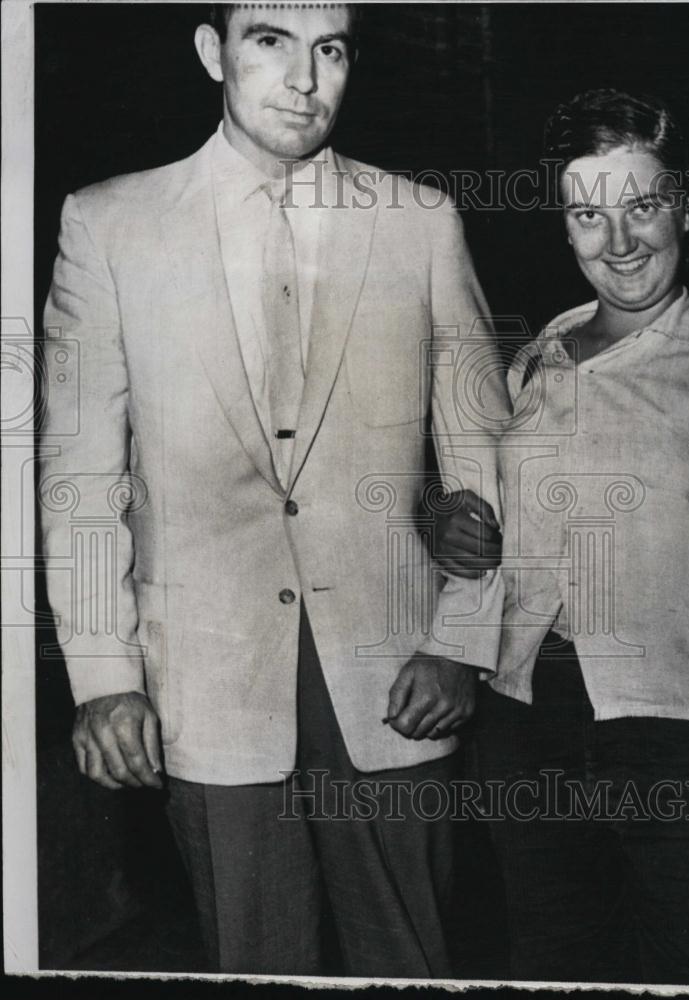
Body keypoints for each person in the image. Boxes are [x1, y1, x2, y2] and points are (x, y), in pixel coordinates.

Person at [39, 2, 509, 977]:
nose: (304, 77)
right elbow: (81, 476)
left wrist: (461, 639)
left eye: (329, 48)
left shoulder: (419, 221)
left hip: (396, 683)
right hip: (205, 683)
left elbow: (483, 456)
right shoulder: (107, 223)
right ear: (213, 51)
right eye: (270, 40)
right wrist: (103, 675)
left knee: (409, 963)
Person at [434, 89, 689, 986]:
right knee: (558, 965)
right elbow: (483, 516)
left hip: (688, 741)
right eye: (588, 215)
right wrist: (453, 528)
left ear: (684, 205)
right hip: (529, 724)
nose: (619, 242)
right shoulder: (531, 362)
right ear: (564, 228)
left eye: (642, 206)